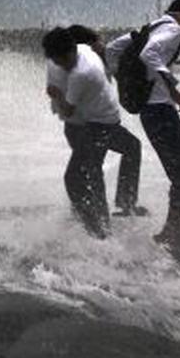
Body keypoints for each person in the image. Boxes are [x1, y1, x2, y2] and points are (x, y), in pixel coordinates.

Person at [106, 0, 180, 262]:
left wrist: (124, 81)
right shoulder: (173, 28)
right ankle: (175, 236)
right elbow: (149, 54)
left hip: (149, 112)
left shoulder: (150, 26)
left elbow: (113, 49)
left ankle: (172, 232)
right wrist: (173, 89)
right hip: (160, 109)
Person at [43, 27, 142, 238]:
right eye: (57, 60)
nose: (61, 65)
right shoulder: (67, 64)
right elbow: (66, 106)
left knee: (123, 152)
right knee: (87, 174)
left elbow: (65, 103)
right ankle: (98, 228)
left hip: (99, 123)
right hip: (82, 125)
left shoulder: (83, 69)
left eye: (64, 61)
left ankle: (104, 217)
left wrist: (57, 96)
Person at [66, 24, 147, 217]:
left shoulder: (95, 61)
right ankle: (97, 218)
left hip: (97, 126)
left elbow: (125, 47)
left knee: (130, 147)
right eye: (98, 41)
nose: (103, 45)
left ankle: (122, 203)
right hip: (88, 127)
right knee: (91, 169)